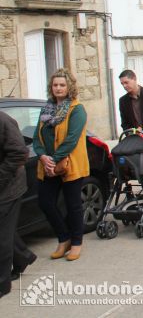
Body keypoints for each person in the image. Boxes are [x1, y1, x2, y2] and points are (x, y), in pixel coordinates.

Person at [33, 68, 89, 262]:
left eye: (62, 85)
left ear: (69, 87)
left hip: (70, 164)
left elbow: (72, 139)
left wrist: (54, 159)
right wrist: (42, 156)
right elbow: (36, 137)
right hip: (48, 164)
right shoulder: (46, 108)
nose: (58, 88)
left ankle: (76, 243)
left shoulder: (76, 109)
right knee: (45, 202)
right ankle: (63, 238)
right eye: (55, 85)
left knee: (73, 205)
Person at [0, 110, 31, 298]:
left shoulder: (3, 120)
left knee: (2, 236)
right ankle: (23, 257)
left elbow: (19, 153)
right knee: (6, 229)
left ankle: (2, 284)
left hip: (8, 188)